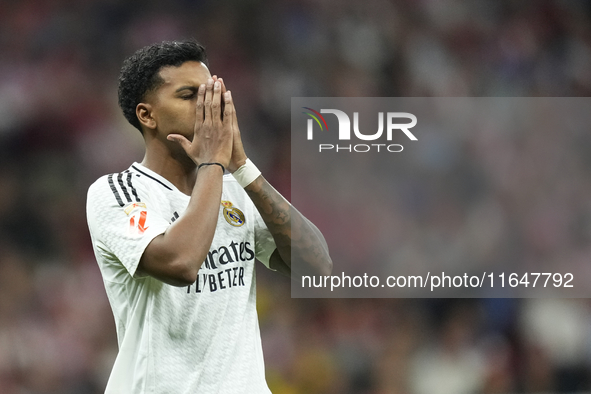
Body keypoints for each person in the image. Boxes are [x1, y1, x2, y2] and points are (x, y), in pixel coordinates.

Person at [86, 40, 332, 393]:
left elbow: (318, 268)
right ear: (147, 115)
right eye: (189, 96)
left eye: (211, 94)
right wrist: (213, 164)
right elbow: (181, 264)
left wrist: (243, 169)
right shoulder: (117, 192)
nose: (207, 107)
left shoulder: (235, 189)